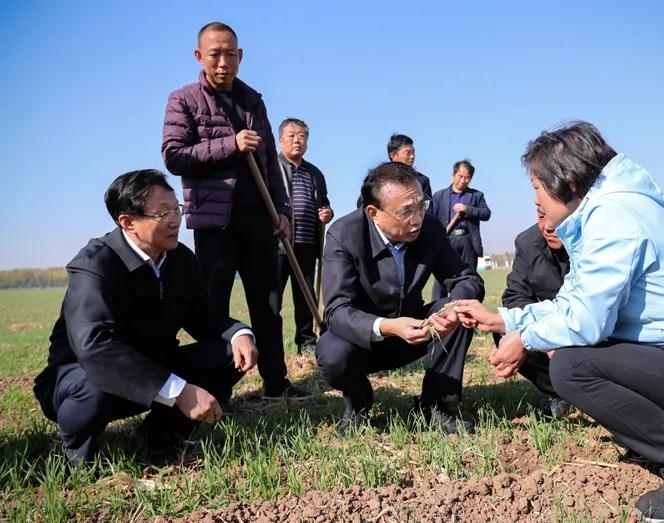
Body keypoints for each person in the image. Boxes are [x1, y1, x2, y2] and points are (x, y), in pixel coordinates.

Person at [454, 121, 664, 523]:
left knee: (573, 366)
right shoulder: (609, 212)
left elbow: (585, 322)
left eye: (537, 186)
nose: (535, 198)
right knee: (589, 353)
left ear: (567, 182)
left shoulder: (613, 218)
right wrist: (504, 319)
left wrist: (523, 336)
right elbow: (572, 303)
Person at [32, 170, 259, 466]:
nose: (175, 220)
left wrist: (240, 333)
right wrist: (178, 391)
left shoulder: (180, 259)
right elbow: (95, 348)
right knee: (95, 383)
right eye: (163, 213)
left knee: (229, 353)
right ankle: (82, 459)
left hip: (154, 366)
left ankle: (161, 437)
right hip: (80, 378)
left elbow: (202, 318)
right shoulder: (95, 264)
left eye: (176, 209)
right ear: (128, 222)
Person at [162, 22, 309, 401]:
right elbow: (174, 156)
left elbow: (269, 161)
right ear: (199, 56)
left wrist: (282, 210)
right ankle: (217, 389)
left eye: (230, 54)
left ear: (240, 56)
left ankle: (276, 383)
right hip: (215, 223)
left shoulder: (252, 101)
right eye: (215, 54)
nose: (223, 62)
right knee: (214, 305)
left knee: (269, 305)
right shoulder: (184, 100)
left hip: (258, 220)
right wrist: (231, 144)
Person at [316, 162, 484, 436]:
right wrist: (388, 326)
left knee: (460, 310)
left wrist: (454, 308)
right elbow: (337, 311)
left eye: (421, 206)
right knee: (333, 353)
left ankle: (436, 405)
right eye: (406, 211)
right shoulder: (344, 234)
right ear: (373, 213)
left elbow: (467, 279)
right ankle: (358, 403)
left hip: (415, 331)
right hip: (363, 340)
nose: (417, 219)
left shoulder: (430, 229)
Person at [497, 217, 572, 419]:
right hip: (549, 328)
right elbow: (516, 296)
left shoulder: (597, 238)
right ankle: (562, 392)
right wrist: (543, 337)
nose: (548, 226)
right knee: (507, 331)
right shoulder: (527, 243)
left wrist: (557, 333)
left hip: (594, 330)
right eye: (541, 214)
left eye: (558, 218)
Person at [276, 117, 334, 355]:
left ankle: (307, 343)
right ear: (281, 139)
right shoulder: (272, 168)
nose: (297, 141)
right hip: (278, 245)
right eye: (291, 136)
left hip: (307, 244)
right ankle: (271, 346)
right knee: (272, 298)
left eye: (302, 136)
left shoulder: (315, 173)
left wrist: (327, 213)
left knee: (306, 298)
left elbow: (324, 203)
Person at [431, 160, 491, 300]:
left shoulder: (476, 196)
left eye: (467, 178)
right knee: (441, 278)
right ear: (453, 175)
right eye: (460, 176)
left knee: (468, 278)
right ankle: (436, 308)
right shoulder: (439, 196)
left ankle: (466, 308)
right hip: (446, 240)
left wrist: (467, 209)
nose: (463, 180)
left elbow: (486, 213)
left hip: (467, 241)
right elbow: (431, 218)